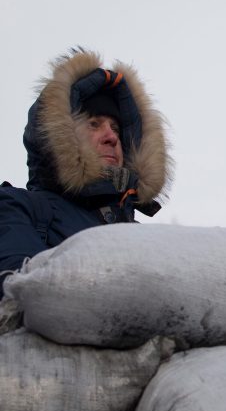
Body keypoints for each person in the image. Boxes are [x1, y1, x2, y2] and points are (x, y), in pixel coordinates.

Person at [0, 49, 172, 295]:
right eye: (94, 124)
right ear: (60, 137)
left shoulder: (150, 239)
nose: (112, 137)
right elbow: (21, 293)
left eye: (116, 127)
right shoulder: (19, 208)